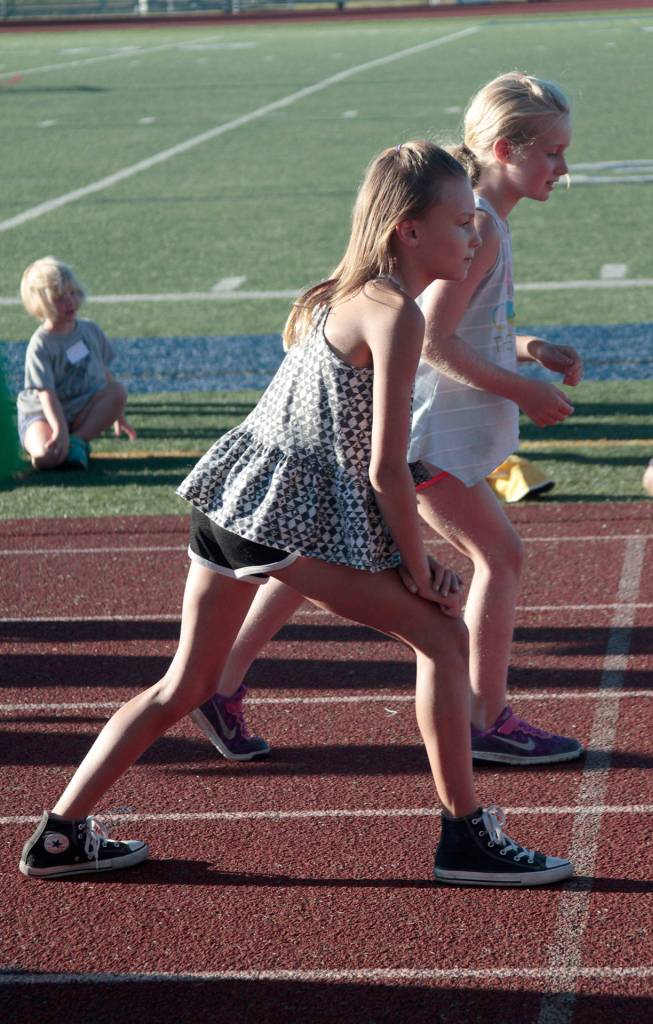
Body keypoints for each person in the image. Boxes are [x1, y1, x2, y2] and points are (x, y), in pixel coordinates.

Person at [20, 141, 572, 887]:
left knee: (185, 685)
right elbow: (384, 469)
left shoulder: (350, 293)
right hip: (278, 508)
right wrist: (419, 569)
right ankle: (464, 838)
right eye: (460, 222)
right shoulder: (396, 315)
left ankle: (60, 832)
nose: (475, 235)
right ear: (408, 230)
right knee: (443, 636)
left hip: (230, 497)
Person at [190, 72, 585, 769]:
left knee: (303, 555)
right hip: (426, 434)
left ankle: (219, 686)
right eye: (551, 152)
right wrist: (522, 390)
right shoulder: (479, 227)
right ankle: (485, 718)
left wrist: (529, 349)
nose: (563, 167)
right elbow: (433, 340)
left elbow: (463, 327)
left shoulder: (477, 223)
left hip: (430, 429)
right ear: (504, 148)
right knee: (500, 556)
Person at [16, 257, 136, 472]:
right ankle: (66, 444)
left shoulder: (90, 330)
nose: (70, 302)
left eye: (73, 293)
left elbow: (104, 372)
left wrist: (119, 414)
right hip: (43, 413)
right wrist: (58, 429)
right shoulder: (41, 344)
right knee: (46, 457)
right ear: (42, 304)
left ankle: (78, 441)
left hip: (80, 409)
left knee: (117, 392)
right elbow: (47, 395)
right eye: (60, 298)